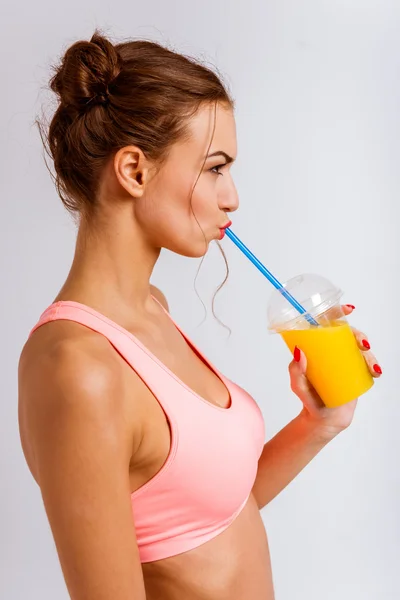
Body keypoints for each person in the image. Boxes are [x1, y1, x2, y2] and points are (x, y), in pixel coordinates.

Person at [17, 30, 382, 600]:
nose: (232, 196)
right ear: (134, 171)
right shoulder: (77, 369)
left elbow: (210, 515)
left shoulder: (151, 310)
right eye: (215, 168)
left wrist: (320, 423)